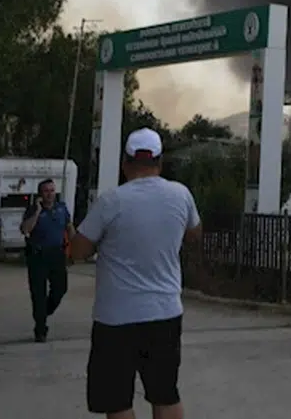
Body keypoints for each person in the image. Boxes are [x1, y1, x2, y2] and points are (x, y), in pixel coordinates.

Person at [70, 127, 202, 419]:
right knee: (165, 393)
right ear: (160, 162)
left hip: (116, 318)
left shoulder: (110, 201)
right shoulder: (181, 195)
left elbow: (77, 252)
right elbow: (194, 233)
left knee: (117, 401)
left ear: (125, 163)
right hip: (165, 312)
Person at [19, 179, 74, 342]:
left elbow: (69, 227)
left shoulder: (61, 208)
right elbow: (25, 229)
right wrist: (37, 210)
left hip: (56, 254)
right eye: (46, 191)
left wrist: (76, 245)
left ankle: (44, 312)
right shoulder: (32, 210)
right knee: (38, 293)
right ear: (40, 194)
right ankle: (40, 328)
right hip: (38, 256)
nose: (50, 194)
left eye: (52, 190)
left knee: (60, 288)